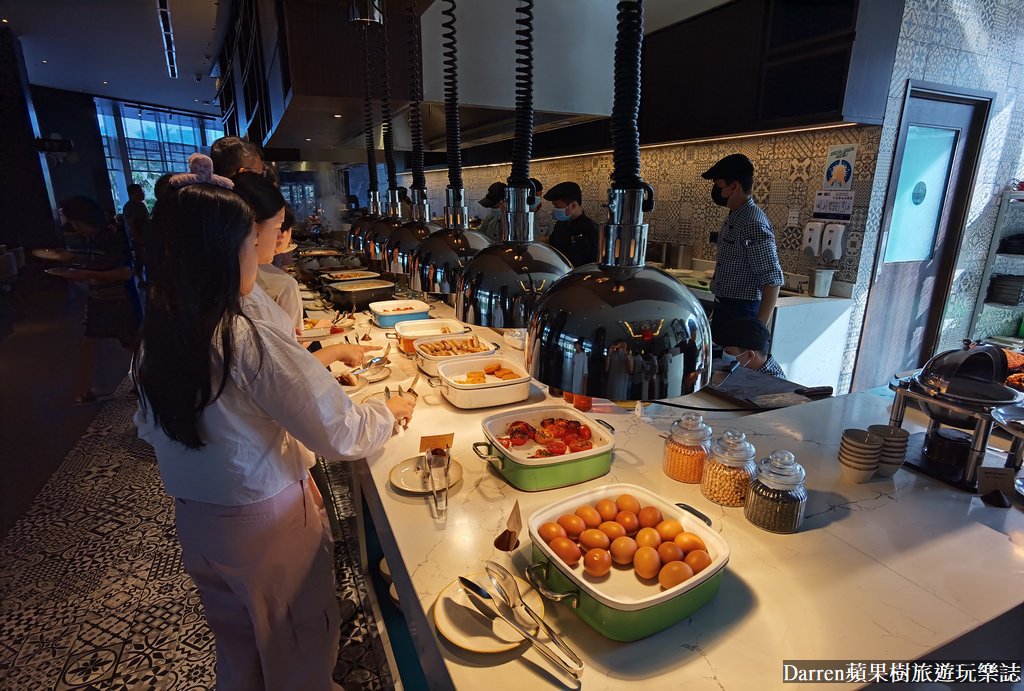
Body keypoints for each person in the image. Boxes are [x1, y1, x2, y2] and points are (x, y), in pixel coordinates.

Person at [133, 173, 414, 691]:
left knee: (240, 647)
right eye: (249, 238)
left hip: (198, 522)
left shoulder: (161, 328)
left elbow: (149, 429)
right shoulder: (242, 331)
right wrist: (392, 409)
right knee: (298, 650)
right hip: (266, 524)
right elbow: (339, 431)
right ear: (224, 250)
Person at [56, 195, 140, 404]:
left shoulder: (109, 237)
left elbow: (125, 273)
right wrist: (75, 260)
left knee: (132, 346)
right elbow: (102, 263)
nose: (74, 228)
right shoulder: (97, 238)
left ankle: (145, 385)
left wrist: (86, 275)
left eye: (74, 223)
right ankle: (87, 390)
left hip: (118, 301)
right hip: (101, 301)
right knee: (91, 343)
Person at [702, 153, 784, 332]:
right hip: (725, 306)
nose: (715, 191)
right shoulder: (735, 216)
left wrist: (757, 331)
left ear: (735, 186)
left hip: (742, 311)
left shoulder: (753, 223)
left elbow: (772, 280)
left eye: (718, 185)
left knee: (734, 360)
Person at [232, 172, 302, 333]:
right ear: (252, 229)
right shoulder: (244, 299)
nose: (280, 237)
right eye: (278, 227)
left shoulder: (245, 290)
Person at [543, 181, 598, 266]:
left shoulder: (590, 230)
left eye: (558, 207)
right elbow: (552, 242)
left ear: (573, 205)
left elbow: (591, 263)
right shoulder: (561, 224)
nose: (555, 210)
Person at [713, 316, 786, 378]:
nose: (724, 355)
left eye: (728, 352)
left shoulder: (775, 384)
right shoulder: (746, 367)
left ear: (750, 355)